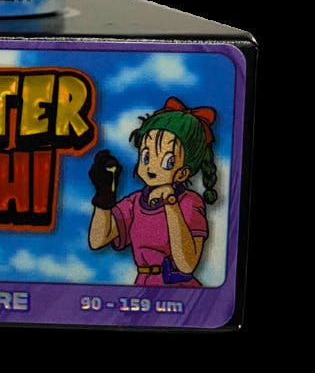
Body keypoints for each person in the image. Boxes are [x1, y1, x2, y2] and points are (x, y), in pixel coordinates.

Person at [88, 97, 218, 287]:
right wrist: (104, 196)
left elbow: (187, 265)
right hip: (144, 288)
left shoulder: (189, 202)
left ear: (183, 173)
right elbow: (97, 240)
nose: (151, 167)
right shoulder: (134, 202)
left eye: (167, 161)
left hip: (178, 291)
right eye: (146, 156)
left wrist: (171, 205)